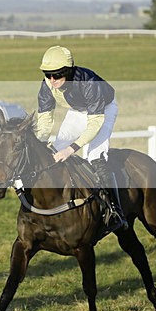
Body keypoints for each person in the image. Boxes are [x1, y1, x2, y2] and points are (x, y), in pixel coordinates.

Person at [33, 45, 127, 231]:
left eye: (57, 75)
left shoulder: (89, 82)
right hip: (77, 111)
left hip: (103, 111)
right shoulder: (47, 84)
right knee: (56, 151)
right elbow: (45, 120)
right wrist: (39, 144)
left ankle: (113, 210)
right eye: (48, 74)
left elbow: (94, 123)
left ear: (68, 72)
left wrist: (72, 148)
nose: (52, 80)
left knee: (94, 156)